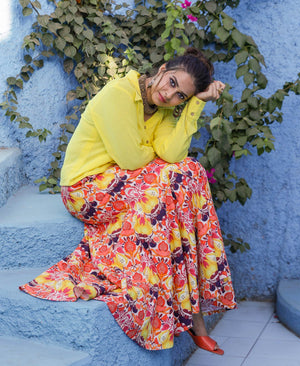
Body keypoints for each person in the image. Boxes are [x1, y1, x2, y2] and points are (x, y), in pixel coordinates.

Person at [20, 48, 236, 355]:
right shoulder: (119, 94)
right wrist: (152, 153)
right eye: (171, 81)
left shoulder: (160, 108)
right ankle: (183, 311)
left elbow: (173, 154)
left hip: (122, 185)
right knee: (166, 180)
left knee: (190, 170)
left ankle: (188, 307)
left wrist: (196, 105)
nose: (169, 94)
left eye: (180, 96)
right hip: (85, 189)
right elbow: (132, 158)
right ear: (162, 68)